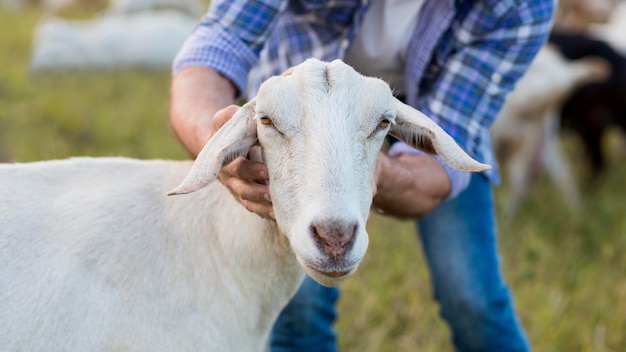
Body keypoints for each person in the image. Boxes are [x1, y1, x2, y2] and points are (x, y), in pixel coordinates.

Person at [169, 0, 555, 350]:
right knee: (299, 304)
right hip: (292, 121)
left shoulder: (520, 6)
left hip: (421, 117)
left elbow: (440, 164)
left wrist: (369, 167)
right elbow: (221, 41)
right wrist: (217, 145)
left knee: (473, 295)